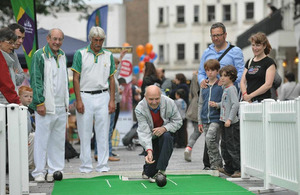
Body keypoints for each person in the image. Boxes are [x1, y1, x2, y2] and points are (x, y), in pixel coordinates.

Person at [72, 26, 115, 173]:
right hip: (85, 95)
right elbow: (75, 78)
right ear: (90, 39)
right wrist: (78, 100)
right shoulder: (80, 53)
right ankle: (85, 166)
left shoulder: (108, 55)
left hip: (103, 95)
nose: (98, 43)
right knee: (84, 132)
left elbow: (112, 78)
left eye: (101, 40)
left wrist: (112, 100)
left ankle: (103, 165)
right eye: (96, 40)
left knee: (103, 132)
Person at [30, 28, 69, 182]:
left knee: (58, 140)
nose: (57, 42)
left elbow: (64, 80)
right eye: (54, 39)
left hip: (60, 106)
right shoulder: (39, 55)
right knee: (41, 139)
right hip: (45, 106)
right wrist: (39, 102)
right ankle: (39, 171)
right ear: (48, 39)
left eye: (60, 39)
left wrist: (66, 102)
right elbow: (36, 80)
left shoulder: (63, 55)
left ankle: (55, 170)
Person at [135, 85, 182, 182]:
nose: (154, 102)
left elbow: (178, 121)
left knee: (167, 136)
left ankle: (161, 171)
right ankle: (147, 170)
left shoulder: (169, 102)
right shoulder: (139, 108)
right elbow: (144, 132)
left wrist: (164, 128)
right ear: (145, 97)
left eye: (157, 99)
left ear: (161, 95)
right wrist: (148, 150)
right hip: (150, 137)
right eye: (151, 99)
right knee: (150, 172)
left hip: (165, 135)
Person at [94, 50, 127, 162]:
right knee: (108, 129)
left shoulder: (112, 74)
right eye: (116, 64)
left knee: (105, 129)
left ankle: (99, 152)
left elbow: (117, 72)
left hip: (111, 104)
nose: (117, 66)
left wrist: (121, 57)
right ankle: (106, 153)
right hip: (109, 105)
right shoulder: (108, 75)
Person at [209, 65, 240, 178]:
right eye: (221, 75)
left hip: (230, 123)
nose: (222, 78)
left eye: (225, 76)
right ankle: (228, 168)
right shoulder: (225, 89)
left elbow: (235, 104)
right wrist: (216, 105)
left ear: (231, 77)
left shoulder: (231, 89)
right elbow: (225, 104)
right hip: (224, 121)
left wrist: (230, 119)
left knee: (233, 146)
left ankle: (237, 168)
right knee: (225, 145)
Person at [198, 22, 244, 88]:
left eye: (218, 35)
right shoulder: (206, 52)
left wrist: (228, 82)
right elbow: (201, 72)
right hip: (211, 92)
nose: (216, 38)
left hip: (228, 92)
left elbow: (241, 72)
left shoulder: (235, 51)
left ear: (225, 35)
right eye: (213, 36)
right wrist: (202, 81)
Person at [197, 59, 223, 170]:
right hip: (205, 119)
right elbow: (200, 104)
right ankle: (213, 165)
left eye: (212, 70)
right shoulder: (204, 86)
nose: (210, 73)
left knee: (210, 139)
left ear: (217, 71)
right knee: (210, 143)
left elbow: (226, 102)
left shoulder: (221, 85)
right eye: (207, 70)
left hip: (216, 118)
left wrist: (217, 105)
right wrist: (199, 121)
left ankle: (217, 162)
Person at [240, 32, 276, 103]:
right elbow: (242, 81)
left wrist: (250, 96)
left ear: (264, 46)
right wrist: (245, 95)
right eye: (253, 45)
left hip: (262, 101)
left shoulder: (269, 62)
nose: (255, 48)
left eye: (258, 45)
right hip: (248, 102)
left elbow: (268, 85)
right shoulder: (249, 61)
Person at [0, 27, 20, 104]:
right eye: (10, 43)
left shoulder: (8, 57)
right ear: (0, 42)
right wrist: (17, 101)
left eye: (14, 43)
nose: (13, 46)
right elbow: (5, 83)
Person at [170, 73, 189, 148]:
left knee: (180, 130)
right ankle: (183, 142)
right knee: (183, 129)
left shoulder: (182, 87)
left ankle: (180, 142)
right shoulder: (184, 102)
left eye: (176, 79)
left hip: (179, 116)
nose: (174, 80)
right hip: (183, 116)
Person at [18, 86, 35, 170]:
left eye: (31, 96)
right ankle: (28, 165)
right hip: (20, 136)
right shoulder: (19, 109)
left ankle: (31, 163)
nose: (29, 98)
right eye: (26, 96)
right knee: (33, 137)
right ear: (19, 97)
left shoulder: (28, 110)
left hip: (26, 135)